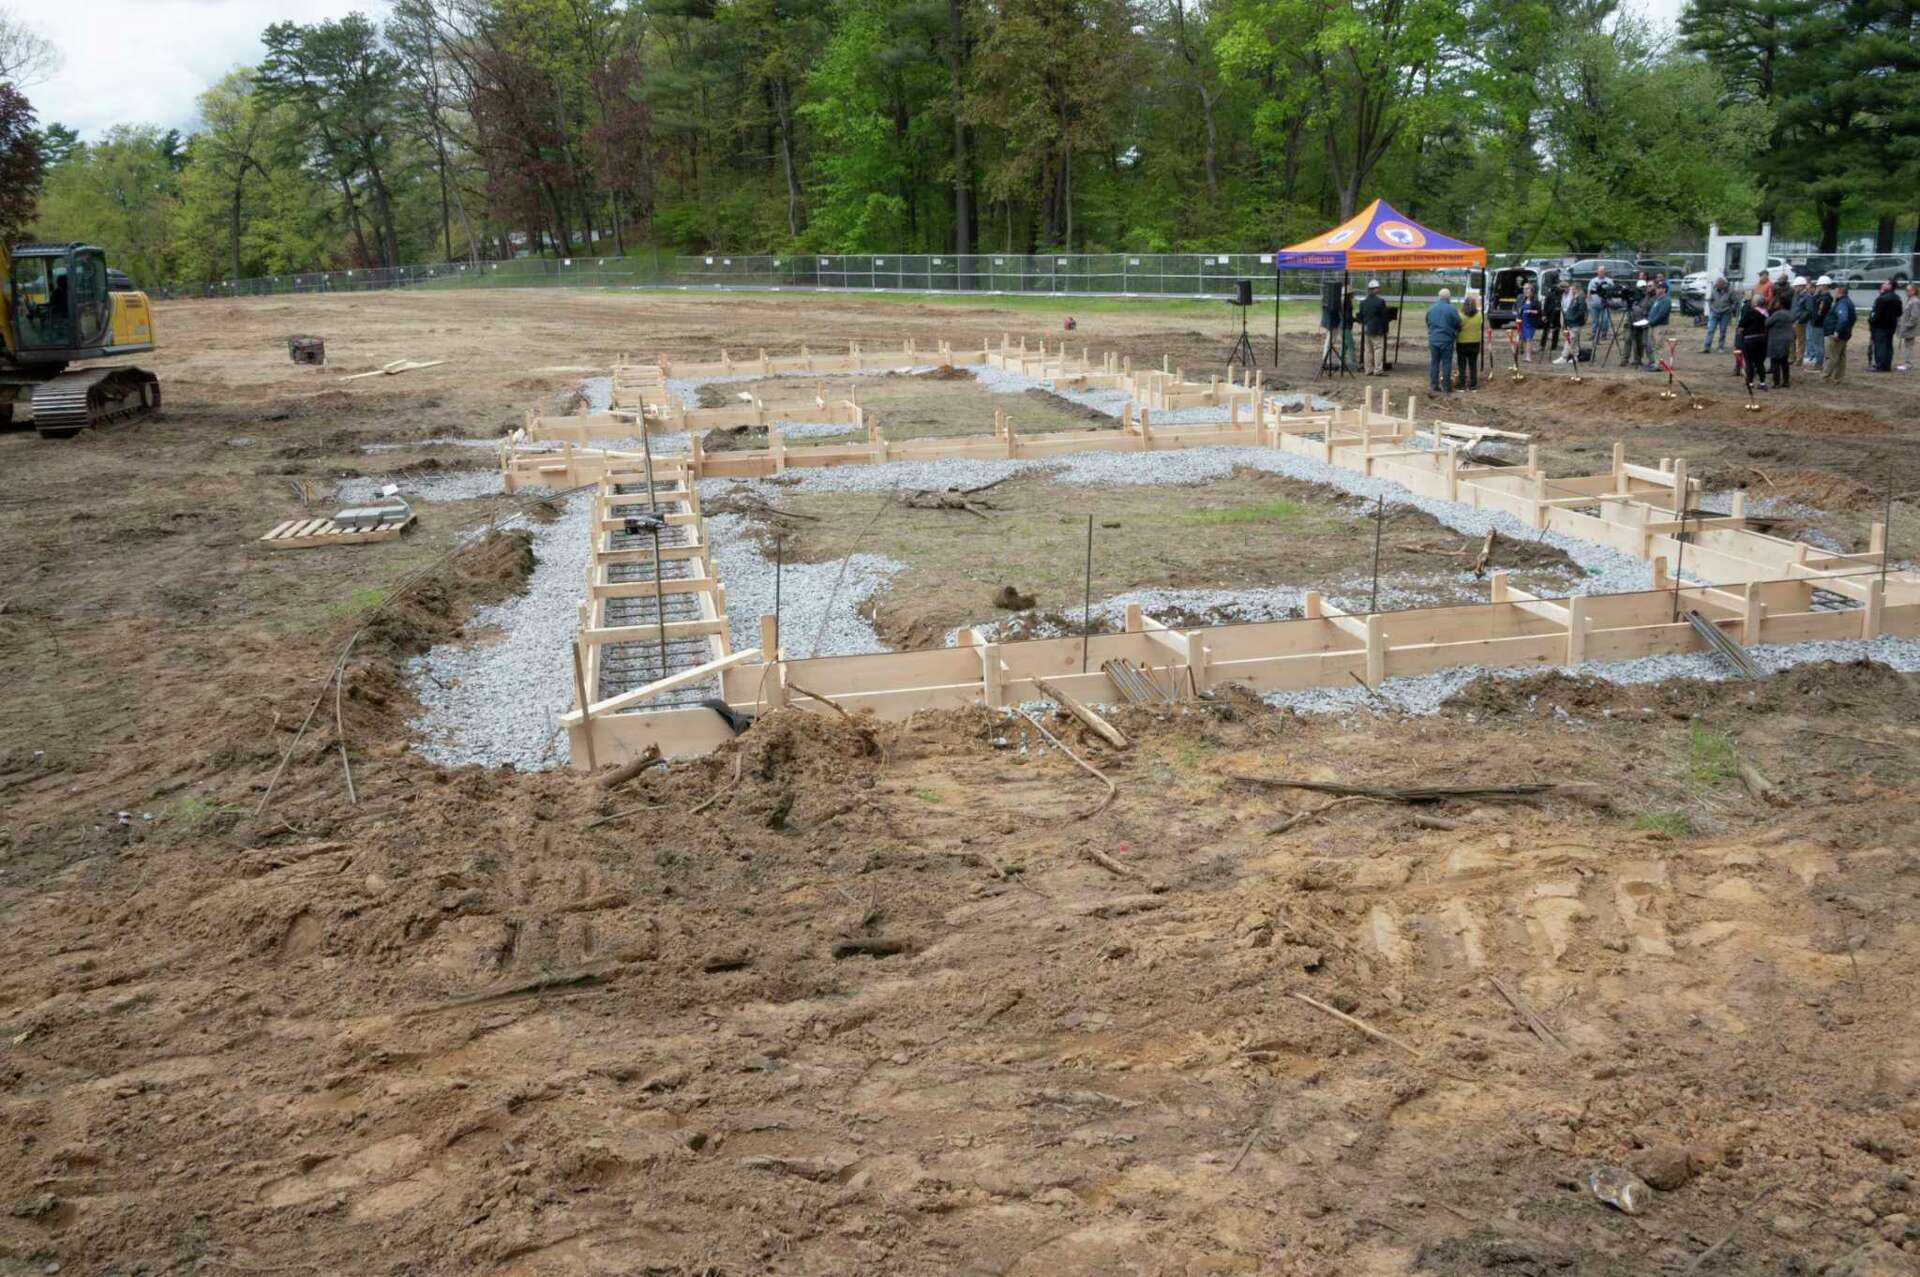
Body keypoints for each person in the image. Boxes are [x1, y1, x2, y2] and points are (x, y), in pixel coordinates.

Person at [1426, 287, 1462, 394]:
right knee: (1446, 363)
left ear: (1439, 297)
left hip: (1433, 339)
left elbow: (1427, 322)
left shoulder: (1431, 308)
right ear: (1449, 297)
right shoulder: (1452, 309)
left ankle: (1434, 385)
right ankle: (1446, 387)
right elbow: (1458, 323)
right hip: (1446, 340)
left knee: (1434, 362)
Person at [1822, 280, 1856, 383]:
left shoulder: (1842, 303)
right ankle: (1838, 377)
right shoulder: (1848, 302)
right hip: (1844, 334)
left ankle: (1825, 376)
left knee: (1832, 356)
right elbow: (1853, 318)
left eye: (1834, 289)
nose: (1833, 291)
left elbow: (1843, 319)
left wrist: (1837, 332)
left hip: (1835, 334)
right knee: (1841, 357)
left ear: (1840, 290)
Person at [1357, 279, 1390, 376]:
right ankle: (1378, 369)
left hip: (1367, 328)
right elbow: (1384, 318)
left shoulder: (1363, 302)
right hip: (1377, 329)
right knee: (1378, 348)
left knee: (1367, 350)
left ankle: (1368, 369)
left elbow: (1360, 316)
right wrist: (1386, 329)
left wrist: (1365, 323)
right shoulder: (1380, 302)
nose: (1378, 290)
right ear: (1375, 289)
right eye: (1377, 288)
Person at [1737, 297, 1769, 394]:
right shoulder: (1766, 313)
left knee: (1749, 362)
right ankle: (1762, 382)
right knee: (1759, 362)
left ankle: (1750, 382)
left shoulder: (1750, 313)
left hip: (1750, 339)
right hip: (1762, 339)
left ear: (1755, 303)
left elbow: (1741, 325)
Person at [1869, 280, 1902, 373]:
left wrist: (1872, 321)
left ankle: (1880, 365)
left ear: (1891, 286)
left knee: (1880, 346)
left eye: (1886, 283)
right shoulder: (1897, 298)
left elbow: (1876, 314)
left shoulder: (1882, 299)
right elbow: (1899, 312)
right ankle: (1887, 365)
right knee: (1888, 346)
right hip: (1891, 325)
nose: (1883, 284)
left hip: (1880, 326)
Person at [1766, 296, 1795, 389]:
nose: (1775, 304)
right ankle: (1786, 381)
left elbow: (1767, 323)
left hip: (1776, 339)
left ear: (1781, 304)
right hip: (1787, 340)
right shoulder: (1790, 313)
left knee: (1775, 361)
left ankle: (1776, 382)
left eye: (1777, 302)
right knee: (1784, 362)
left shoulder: (1777, 314)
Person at [1456, 292, 1483, 391]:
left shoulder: (1460, 315)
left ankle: (1462, 384)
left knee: (1462, 365)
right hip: (1475, 342)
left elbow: (1457, 328)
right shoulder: (1479, 315)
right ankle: (1473, 385)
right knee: (1473, 364)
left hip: (1462, 342)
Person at [1620, 286, 1652, 368]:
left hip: (1639, 323)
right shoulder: (1631, 300)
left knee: (1638, 342)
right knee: (1627, 340)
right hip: (1629, 323)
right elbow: (1620, 305)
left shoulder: (1646, 298)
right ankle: (1625, 359)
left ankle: (1637, 360)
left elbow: (1643, 309)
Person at [1643, 282, 1671, 371]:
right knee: (1654, 345)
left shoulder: (1666, 300)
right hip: (1654, 325)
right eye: (1657, 288)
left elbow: (1662, 314)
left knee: (1659, 345)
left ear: (1664, 289)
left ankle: (1658, 364)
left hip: (1660, 326)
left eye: (1659, 288)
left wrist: (1652, 322)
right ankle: (1655, 363)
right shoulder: (1658, 299)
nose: (1657, 289)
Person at [1806, 275, 1833, 369]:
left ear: (1825, 285)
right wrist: (1816, 295)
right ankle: (1818, 362)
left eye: (1820, 285)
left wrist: (1815, 321)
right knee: (1816, 343)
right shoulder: (1821, 297)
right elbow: (1814, 305)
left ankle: (1819, 364)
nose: (1818, 287)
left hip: (1818, 324)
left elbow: (1819, 313)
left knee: (1818, 345)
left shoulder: (1825, 299)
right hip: (1816, 323)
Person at [1704, 277, 1736, 352]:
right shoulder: (1714, 290)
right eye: (1716, 284)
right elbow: (1710, 300)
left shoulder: (1730, 291)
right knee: (1710, 330)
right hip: (1714, 313)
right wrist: (1711, 308)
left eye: (1718, 284)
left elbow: (1734, 302)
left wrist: (1730, 309)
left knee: (1723, 331)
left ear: (1723, 284)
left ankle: (1721, 347)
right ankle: (1706, 348)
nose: (1716, 285)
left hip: (1725, 314)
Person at [1558, 280, 1587, 364]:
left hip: (1576, 322)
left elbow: (1581, 311)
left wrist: (1573, 318)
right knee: (1574, 340)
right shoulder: (1575, 297)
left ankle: (1564, 356)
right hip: (1571, 321)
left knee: (1570, 339)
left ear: (1577, 289)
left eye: (1573, 289)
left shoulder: (1580, 298)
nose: (1572, 291)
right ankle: (1575, 356)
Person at [1790, 276, 1814, 364]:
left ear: (1801, 286)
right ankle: (1792, 357)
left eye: (1796, 286)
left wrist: (1800, 320)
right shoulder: (1796, 295)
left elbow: (1808, 311)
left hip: (1800, 322)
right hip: (1793, 320)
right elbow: (1793, 308)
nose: (1794, 288)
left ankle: (1799, 359)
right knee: (1792, 340)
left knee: (1800, 341)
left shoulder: (1807, 297)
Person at [1516, 282, 1542, 362]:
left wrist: (1531, 311)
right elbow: (1517, 308)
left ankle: (1528, 357)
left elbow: (1539, 312)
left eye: (1527, 289)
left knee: (1528, 339)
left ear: (1532, 290)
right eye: (1524, 289)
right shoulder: (1521, 299)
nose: (1525, 290)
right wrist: (1517, 316)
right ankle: (1529, 350)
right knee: (1522, 338)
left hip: (1530, 323)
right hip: (1522, 322)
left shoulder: (1535, 300)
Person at [1587, 265, 1613, 342]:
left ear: (1605, 272)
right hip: (1594, 304)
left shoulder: (1609, 281)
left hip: (1605, 304)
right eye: (1599, 271)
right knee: (1595, 320)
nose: (1601, 273)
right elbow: (1589, 291)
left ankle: (1604, 333)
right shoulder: (1592, 281)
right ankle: (1594, 334)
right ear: (1597, 272)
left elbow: (1612, 292)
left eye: (1602, 271)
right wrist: (1589, 301)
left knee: (1605, 320)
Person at [1899, 281, 1919, 373]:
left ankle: (1908, 364)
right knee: (1907, 345)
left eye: (1908, 290)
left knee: (1909, 346)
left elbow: (1914, 316)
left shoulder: (1915, 301)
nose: (1906, 292)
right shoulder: (1910, 300)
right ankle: (1907, 363)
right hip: (1907, 327)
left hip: (1910, 328)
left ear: (1914, 291)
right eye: (1906, 290)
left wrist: (1907, 326)